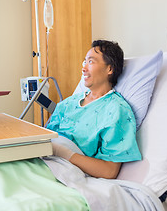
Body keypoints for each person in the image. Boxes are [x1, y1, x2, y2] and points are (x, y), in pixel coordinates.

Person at [46, 40, 141, 179]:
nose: (84, 68)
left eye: (90, 62)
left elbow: (109, 171)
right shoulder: (68, 103)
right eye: (84, 62)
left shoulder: (116, 110)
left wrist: (64, 153)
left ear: (110, 69)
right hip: (42, 160)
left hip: (64, 171)